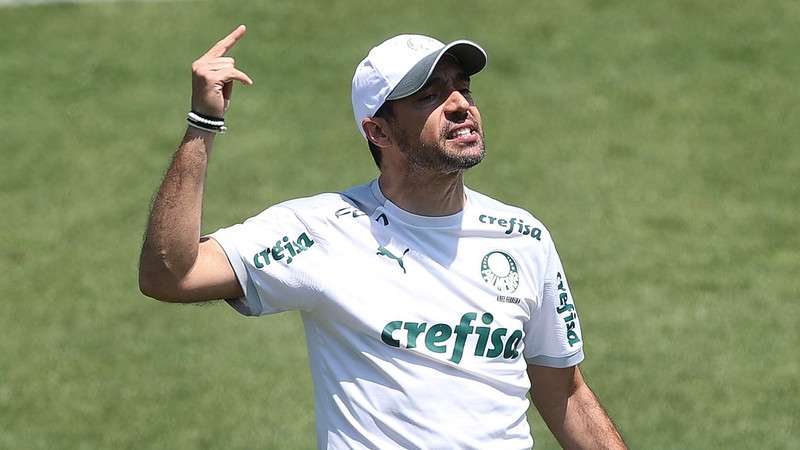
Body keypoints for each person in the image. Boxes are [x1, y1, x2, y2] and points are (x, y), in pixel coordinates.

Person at [138, 25, 627, 450]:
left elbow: (562, 389)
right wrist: (204, 123)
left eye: (462, 87)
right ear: (379, 132)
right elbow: (170, 275)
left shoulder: (523, 237)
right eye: (429, 95)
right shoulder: (319, 232)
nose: (459, 105)